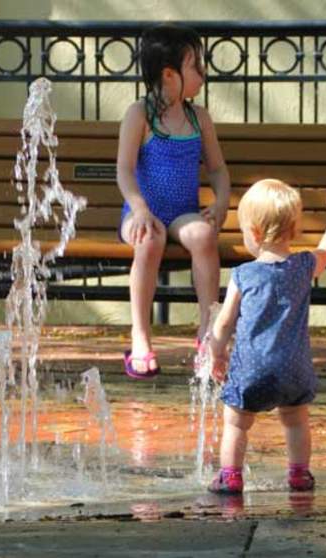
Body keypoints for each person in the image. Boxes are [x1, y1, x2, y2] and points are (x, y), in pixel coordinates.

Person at [207, 179, 326, 494]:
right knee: (296, 420)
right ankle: (299, 474)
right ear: (294, 229)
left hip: (251, 369)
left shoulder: (244, 274)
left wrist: (216, 352)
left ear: (254, 233)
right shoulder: (303, 266)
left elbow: (225, 322)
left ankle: (230, 476)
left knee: (236, 422)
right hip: (294, 369)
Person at [117, 23, 230, 379]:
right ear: (169, 74)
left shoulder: (200, 118)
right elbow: (125, 170)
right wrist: (139, 208)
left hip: (182, 212)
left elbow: (217, 169)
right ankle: (140, 334)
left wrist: (223, 201)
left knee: (203, 236)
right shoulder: (140, 115)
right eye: (196, 66)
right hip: (142, 212)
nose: (203, 75)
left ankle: (208, 329)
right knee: (149, 239)